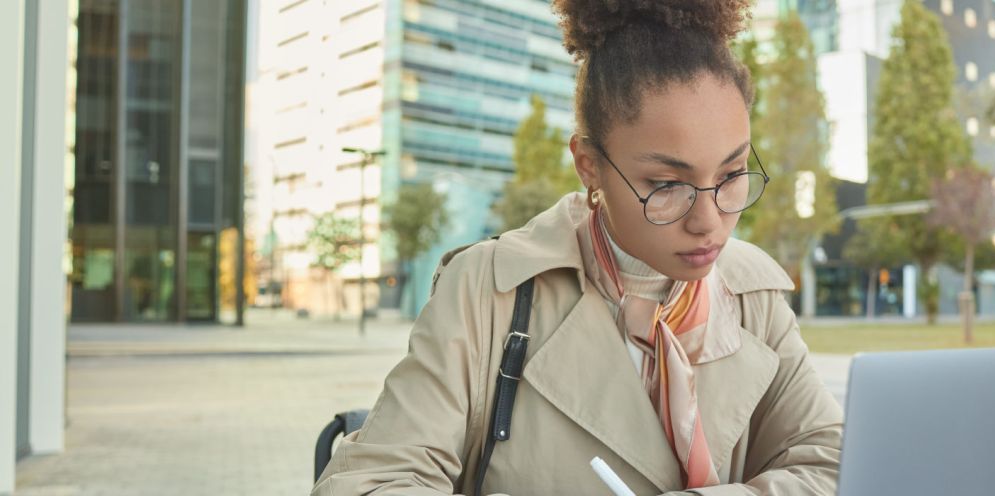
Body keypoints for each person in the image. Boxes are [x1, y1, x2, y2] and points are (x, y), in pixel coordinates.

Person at [311, 1, 843, 494]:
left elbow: (835, 463)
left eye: (731, 174)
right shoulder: (487, 289)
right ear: (589, 165)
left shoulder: (753, 292)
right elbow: (370, 482)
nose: (709, 222)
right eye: (665, 185)